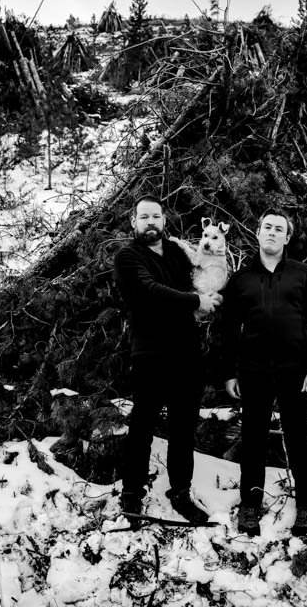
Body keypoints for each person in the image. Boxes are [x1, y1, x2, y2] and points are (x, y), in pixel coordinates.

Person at [214, 210, 307, 537]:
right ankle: (250, 505)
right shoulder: (241, 280)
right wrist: (230, 373)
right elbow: (228, 329)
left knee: (298, 438)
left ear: (287, 237)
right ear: (258, 232)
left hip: (296, 372)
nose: (273, 233)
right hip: (254, 371)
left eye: (280, 229)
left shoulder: (304, 275)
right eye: (268, 227)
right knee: (252, 439)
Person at [112, 197, 220, 522]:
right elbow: (149, 292)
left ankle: (181, 494)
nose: (150, 222)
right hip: (150, 356)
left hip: (187, 354)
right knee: (143, 425)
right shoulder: (128, 257)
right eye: (143, 216)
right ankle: (132, 496)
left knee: (183, 429)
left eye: (155, 216)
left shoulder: (175, 253)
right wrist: (195, 301)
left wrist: (210, 287)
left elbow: (201, 279)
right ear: (133, 222)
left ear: (163, 220)